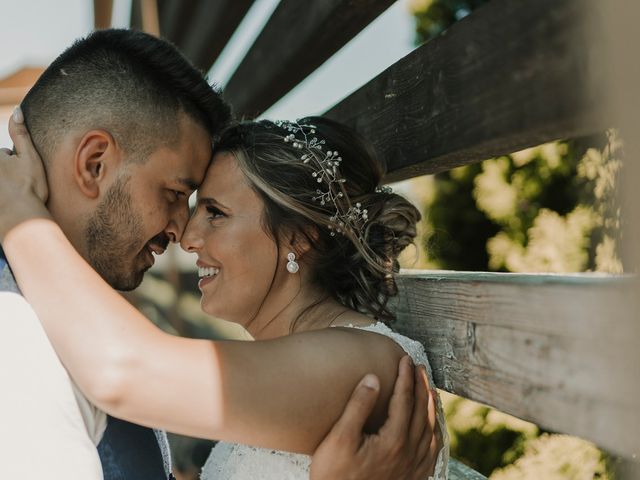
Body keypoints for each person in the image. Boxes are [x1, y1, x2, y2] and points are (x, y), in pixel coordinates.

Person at [0, 30, 440, 480]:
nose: (186, 236)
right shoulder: (290, 368)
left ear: (301, 236)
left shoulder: (363, 368)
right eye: (182, 198)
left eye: (215, 212)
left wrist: (17, 209)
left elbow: (123, 369)